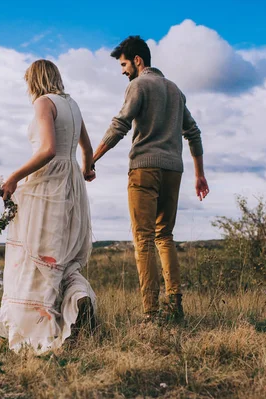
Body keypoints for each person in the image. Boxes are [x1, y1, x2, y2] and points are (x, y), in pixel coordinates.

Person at [92, 36, 209, 323]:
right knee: (164, 237)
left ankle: (151, 312)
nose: (122, 71)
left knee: (143, 239)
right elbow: (193, 133)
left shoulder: (139, 85)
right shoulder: (175, 90)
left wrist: (91, 160)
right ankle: (175, 304)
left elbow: (119, 125)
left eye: (123, 64)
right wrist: (199, 174)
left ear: (138, 61)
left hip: (144, 168)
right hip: (173, 170)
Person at [0, 59, 97, 354]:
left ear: (34, 80)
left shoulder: (43, 103)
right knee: (62, 253)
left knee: (38, 254)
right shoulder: (72, 104)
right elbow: (86, 148)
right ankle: (77, 300)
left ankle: (43, 329)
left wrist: (14, 178)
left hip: (49, 183)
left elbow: (48, 149)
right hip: (71, 182)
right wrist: (87, 169)